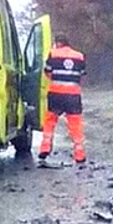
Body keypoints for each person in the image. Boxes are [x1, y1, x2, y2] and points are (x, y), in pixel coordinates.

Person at [40, 35, 87, 163]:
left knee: (50, 121)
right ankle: (79, 154)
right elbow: (81, 73)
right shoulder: (79, 56)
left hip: (55, 94)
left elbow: (48, 71)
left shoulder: (53, 54)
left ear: (57, 43)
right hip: (73, 95)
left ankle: (45, 147)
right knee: (75, 125)